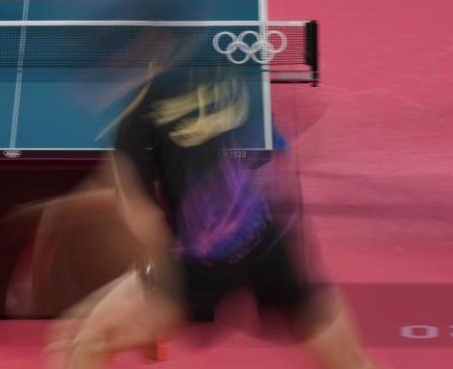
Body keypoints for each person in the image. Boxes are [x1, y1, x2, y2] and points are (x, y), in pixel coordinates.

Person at [42, 68, 379, 369]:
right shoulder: (225, 78)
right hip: (264, 240)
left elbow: (144, 222)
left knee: (89, 340)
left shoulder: (133, 123)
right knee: (352, 362)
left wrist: (158, 290)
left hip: (196, 267)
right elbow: (285, 148)